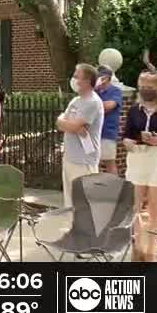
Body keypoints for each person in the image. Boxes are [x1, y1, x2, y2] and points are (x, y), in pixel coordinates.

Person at [121, 71, 157, 261]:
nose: (145, 90)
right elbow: (127, 133)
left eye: (150, 87)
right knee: (134, 208)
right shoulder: (135, 110)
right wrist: (128, 141)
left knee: (155, 211)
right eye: (142, 86)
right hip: (138, 158)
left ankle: (150, 252)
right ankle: (137, 249)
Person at [56, 63, 105, 209]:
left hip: (84, 161)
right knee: (70, 204)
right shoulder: (75, 101)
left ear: (87, 81)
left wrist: (69, 125)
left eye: (77, 76)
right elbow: (61, 124)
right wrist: (64, 122)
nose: (74, 79)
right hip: (70, 157)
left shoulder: (93, 102)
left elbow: (73, 126)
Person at [95, 65, 123, 174]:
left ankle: (115, 188)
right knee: (93, 163)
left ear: (105, 78)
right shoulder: (94, 92)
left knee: (109, 163)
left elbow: (109, 106)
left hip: (107, 132)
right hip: (93, 133)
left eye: (97, 77)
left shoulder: (115, 91)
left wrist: (95, 107)